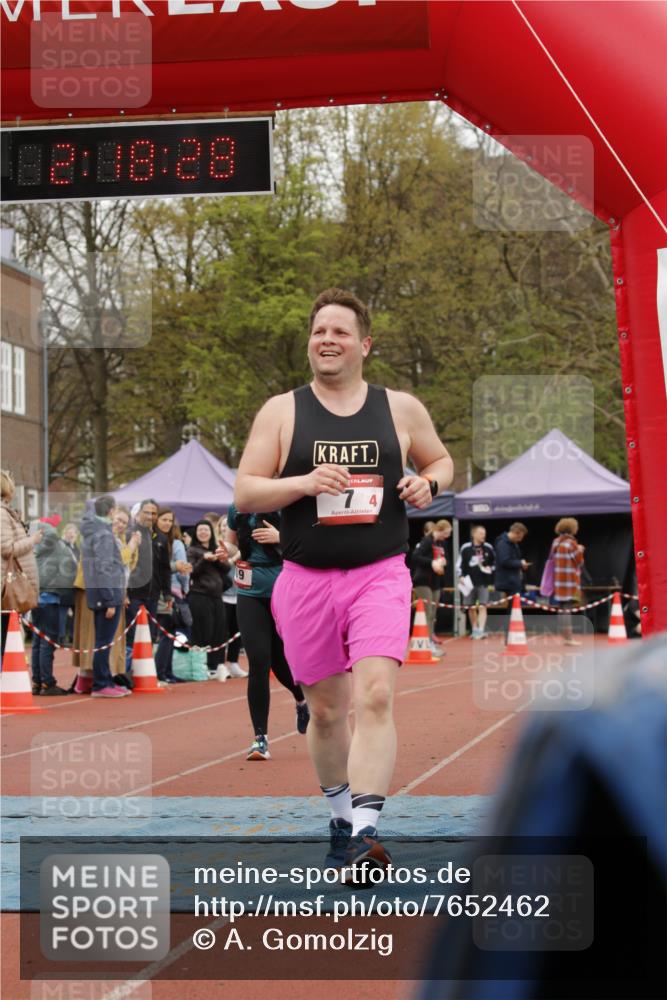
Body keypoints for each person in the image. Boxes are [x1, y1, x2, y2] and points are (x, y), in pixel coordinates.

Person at [234, 287, 453, 872]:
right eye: (318, 332)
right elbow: (246, 491)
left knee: (375, 695)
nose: (327, 340)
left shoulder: (400, 408)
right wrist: (304, 483)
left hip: (379, 574)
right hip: (305, 579)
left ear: (365, 344)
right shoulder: (282, 411)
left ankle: (365, 832)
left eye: (339, 332)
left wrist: (428, 483)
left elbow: (440, 461)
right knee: (327, 712)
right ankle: (339, 818)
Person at [226, 504, 309, 760]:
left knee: (280, 661)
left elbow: (311, 543)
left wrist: (281, 537)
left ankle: (302, 699)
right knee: (259, 660)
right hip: (249, 591)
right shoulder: (236, 508)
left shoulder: (288, 504)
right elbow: (233, 545)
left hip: (284, 589)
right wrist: (225, 552)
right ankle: (260, 738)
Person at [80, 496, 130, 698]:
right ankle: (100, 684)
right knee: (104, 642)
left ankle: (106, 680)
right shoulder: (103, 534)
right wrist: (110, 599)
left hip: (102, 593)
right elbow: (104, 568)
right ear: (111, 510)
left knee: (104, 641)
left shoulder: (96, 531)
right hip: (106, 594)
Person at [30, 516, 77, 694]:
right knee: (48, 641)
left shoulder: (36, 547)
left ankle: (37, 681)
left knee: (38, 641)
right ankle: (47, 682)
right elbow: (71, 567)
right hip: (50, 596)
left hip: (38, 596)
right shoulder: (54, 543)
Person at [1, 469, 41, 656]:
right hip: (6, 587)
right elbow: (6, 548)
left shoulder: (6, 513)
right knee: (5, 640)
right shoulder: (2, 514)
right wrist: (32, 540)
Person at [186, 520, 229, 677]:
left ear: (211, 532)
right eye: (200, 530)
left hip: (217, 596)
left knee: (219, 632)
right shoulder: (192, 550)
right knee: (203, 631)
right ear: (196, 533)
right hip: (199, 596)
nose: (203, 532)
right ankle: (200, 666)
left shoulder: (216, 549)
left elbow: (227, 569)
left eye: (206, 529)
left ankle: (216, 666)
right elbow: (192, 571)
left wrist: (218, 559)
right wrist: (204, 559)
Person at [154, 507, 190, 683]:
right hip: (164, 592)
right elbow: (181, 569)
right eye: (164, 519)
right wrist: (185, 588)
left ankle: (166, 672)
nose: (167, 523)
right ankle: (161, 672)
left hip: (169, 591)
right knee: (166, 634)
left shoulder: (171, 542)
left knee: (169, 634)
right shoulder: (170, 543)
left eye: (170, 520)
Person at [411, 519, 452, 655]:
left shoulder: (442, 543)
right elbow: (416, 557)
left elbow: (446, 559)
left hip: (436, 582)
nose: (447, 536)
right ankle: (427, 644)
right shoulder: (427, 541)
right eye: (446, 533)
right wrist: (432, 563)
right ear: (439, 530)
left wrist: (443, 562)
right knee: (427, 612)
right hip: (423, 581)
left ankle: (430, 642)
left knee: (433, 614)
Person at [125, 498, 158, 668]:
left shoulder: (155, 535)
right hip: (134, 593)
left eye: (153, 513)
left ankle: (144, 671)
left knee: (149, 634)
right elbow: (124, 564)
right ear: (137, 515)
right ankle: (127, 672)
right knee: (132, 634)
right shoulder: (130, 533)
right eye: (145, 513)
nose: (149, 516)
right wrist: (125, 592)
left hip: (152, 593)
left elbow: (160, 566)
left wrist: (165, 592)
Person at [216, 515, 247, 679]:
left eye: (228, 526)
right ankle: (219, 664)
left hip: (239, 594)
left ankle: (233, 663)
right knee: (222, 631)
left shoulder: (241, 547)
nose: (225, 528)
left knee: (237, 631)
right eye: (223, 525)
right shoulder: (217, 547)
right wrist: (233, 558)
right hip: (222, 595)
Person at [550, 517, 586, 645]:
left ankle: (565, 637)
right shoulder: (571, 543)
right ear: (572, 529)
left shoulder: (556, 542)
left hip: (558, 580)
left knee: (561, 608)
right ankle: (569, 638)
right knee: (567, 609)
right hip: (569, 580)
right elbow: (579, 562)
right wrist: (580, 549)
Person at [457, 525, 496, 639]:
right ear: (473, 534)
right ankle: (474, 629)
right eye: (481, 533)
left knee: (483, 606)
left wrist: (490, 568)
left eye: (484, 533)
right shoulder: (465, 548)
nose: (483, 536)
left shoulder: (488, 547)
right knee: (471, 607)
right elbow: (459, 564)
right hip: (469, 583)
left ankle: (481, 630)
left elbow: (495, 562)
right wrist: (460, 576)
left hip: (483, 582)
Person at [494, 522, 529, 599]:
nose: (520, 540)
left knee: (515, 605)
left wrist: (521, 564)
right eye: (519, 537)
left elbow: (513, 559)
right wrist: (520, 563)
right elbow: (505, 561)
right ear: (515, 533)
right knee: (511, 605)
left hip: (513, 582)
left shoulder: (513, 543)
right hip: (506, 583)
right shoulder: (503, 543)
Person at [59, 522, 80, 645]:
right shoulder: (62, 546)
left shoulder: (75, 548)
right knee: (62, 611)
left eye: (74, 533)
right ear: (65, 533)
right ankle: (61, 637)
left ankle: (73, 636)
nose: (72, 535)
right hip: (64, 584)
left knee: (75, 612)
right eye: (70, 532)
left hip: (75, 585)